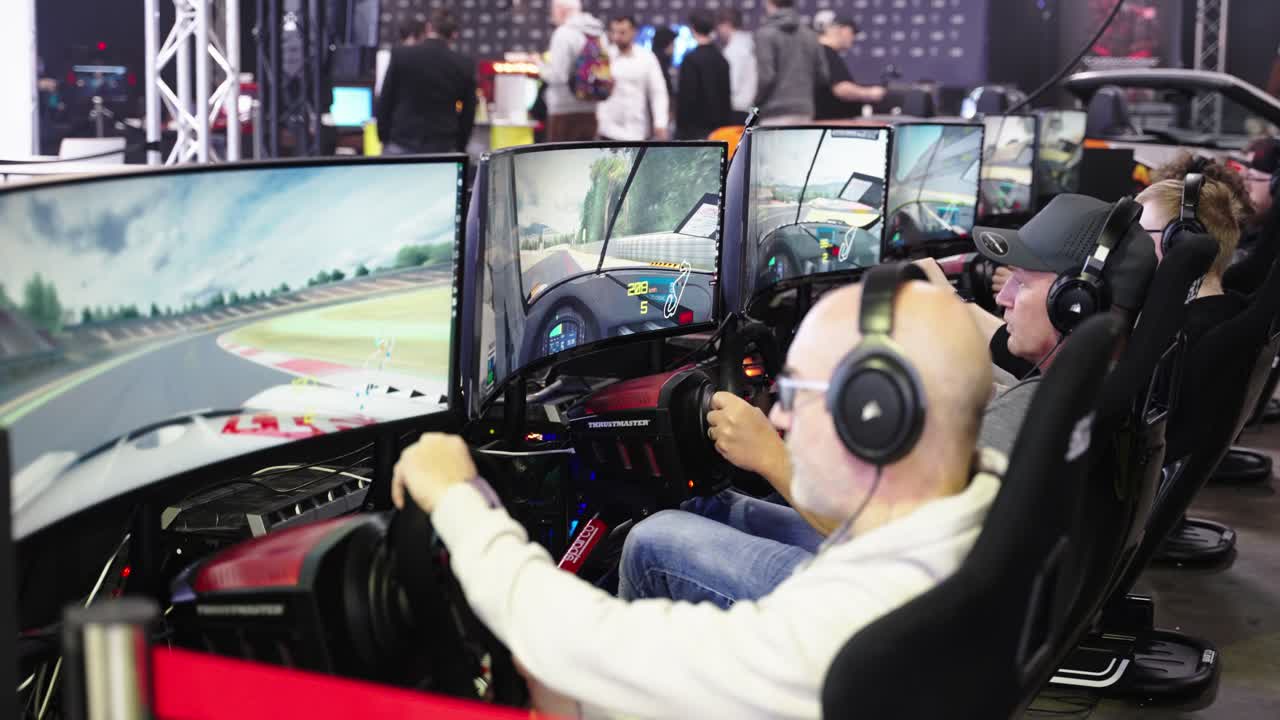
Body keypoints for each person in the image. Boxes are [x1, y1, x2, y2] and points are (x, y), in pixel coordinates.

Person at [392, 271, 1001, 717]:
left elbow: (571, 639)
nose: (780, 420)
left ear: (874, 417)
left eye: (797, 395)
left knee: (554, 672)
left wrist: (458, 496)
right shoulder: (991, 491)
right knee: (702, 507)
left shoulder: (833, 638)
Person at [1140, 154, 1251, 344]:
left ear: (1180, 241)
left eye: (1140, 234)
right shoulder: (1233, 317)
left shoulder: (1182, 340)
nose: (1132, 246)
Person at [376, 11, 476, 154]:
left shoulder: (401, 55)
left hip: (400, 142)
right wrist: (459, 146)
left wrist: (384, 138)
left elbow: (386, 100)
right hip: (443, 146)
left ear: (429, 28)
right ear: (455, 34)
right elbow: (468, 113)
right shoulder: (464, 65)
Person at [540, 0, 608, 141]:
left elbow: (558, 76)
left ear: (561, 10)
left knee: (560, 161)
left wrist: (539, 66)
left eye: (552, 10)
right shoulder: (599, 33)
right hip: (591, 110)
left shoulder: (563, 33)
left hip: (563, 111)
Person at [753, 0, 829, 125]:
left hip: (773, 113)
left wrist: (755, 102)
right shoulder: (810, 35)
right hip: (804, 111)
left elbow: (766, 77)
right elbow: (823, 75)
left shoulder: (765, 34)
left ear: (769, 3)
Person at [596, 16, 669, 141]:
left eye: (622, 32)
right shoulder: (604, 57)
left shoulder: (646, 57)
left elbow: (658, 92)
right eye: (614, 32)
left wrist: (660, 123)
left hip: (638, 131)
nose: (617, 37)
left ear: (633, 31)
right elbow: (596, 91)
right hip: (608, 131)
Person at [1224, 136, 1279, 296]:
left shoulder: (1269, 249)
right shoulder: (1244, 229)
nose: (1244, 186)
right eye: (1243, 177)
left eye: (1251, 178)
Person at [813, 15, 885, 121]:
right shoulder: (825, 52)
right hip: (828, 123)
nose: (853, 38)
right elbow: (841, 89)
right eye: (852, 32)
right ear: (840, 29)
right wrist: (871, 93)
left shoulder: (820, 52)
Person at [675, 11, 733, 140]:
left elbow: (686, 100)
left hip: (694, 132)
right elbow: (726, 97)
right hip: (720, 131)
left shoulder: (690, 60)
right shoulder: (722, 59)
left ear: (693, 28)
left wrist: (680, 132)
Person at [716, 8, 757, 124]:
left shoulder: (734, 50)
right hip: (748, 108)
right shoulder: (748, 44)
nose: (718, 31)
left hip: (737, 109)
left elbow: (731, 84)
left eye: (719, 26)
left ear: (727, 24)